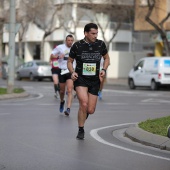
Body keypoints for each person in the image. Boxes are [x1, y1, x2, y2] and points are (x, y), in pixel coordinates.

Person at [67, 23, 110, 139]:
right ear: (86, 33)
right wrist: (73, 72)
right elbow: (70, 61)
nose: (95, 36)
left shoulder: (100, 44)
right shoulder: (77, 46)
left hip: (95, 80)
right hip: (81, 79)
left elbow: (107, 58)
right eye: (93, 33)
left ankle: (83, 115)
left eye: (96, 33)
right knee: (84, 103)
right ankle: (81, 129)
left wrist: (104, 69)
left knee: (90, 110)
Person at [51, 35, 74, 116]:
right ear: (66, 40)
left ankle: (68, 109)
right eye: (69, 40)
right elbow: (51, 56)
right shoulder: (60, 47)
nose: (70, 42)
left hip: (70, 71)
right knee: (62, 91)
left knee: (70, 90)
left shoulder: (75, 48)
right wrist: (58, 56)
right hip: (62, 70)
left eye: (71, 40)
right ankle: (62, 101)